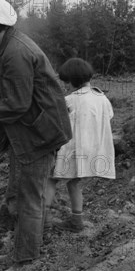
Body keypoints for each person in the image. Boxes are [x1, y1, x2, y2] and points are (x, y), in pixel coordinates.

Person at [0, 0, 72, 271]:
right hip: (25, 131)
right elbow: (2, 85)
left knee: (29, 198)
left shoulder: (16, 52)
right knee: (16, 193)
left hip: (39, 133)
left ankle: (26, 263)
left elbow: (19, 104)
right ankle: (22, 247)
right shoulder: (2, 47)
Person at [44, 58, 115, 232]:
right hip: (92, 150)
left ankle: (41, 221)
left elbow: (59, 124)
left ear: (72, 80)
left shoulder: (69, 100)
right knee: (74, 183)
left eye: (66, 82)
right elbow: (110, 117)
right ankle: (77, 221)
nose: (65, 86)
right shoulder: (102, 98)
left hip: (71, 149)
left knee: (51, 179)